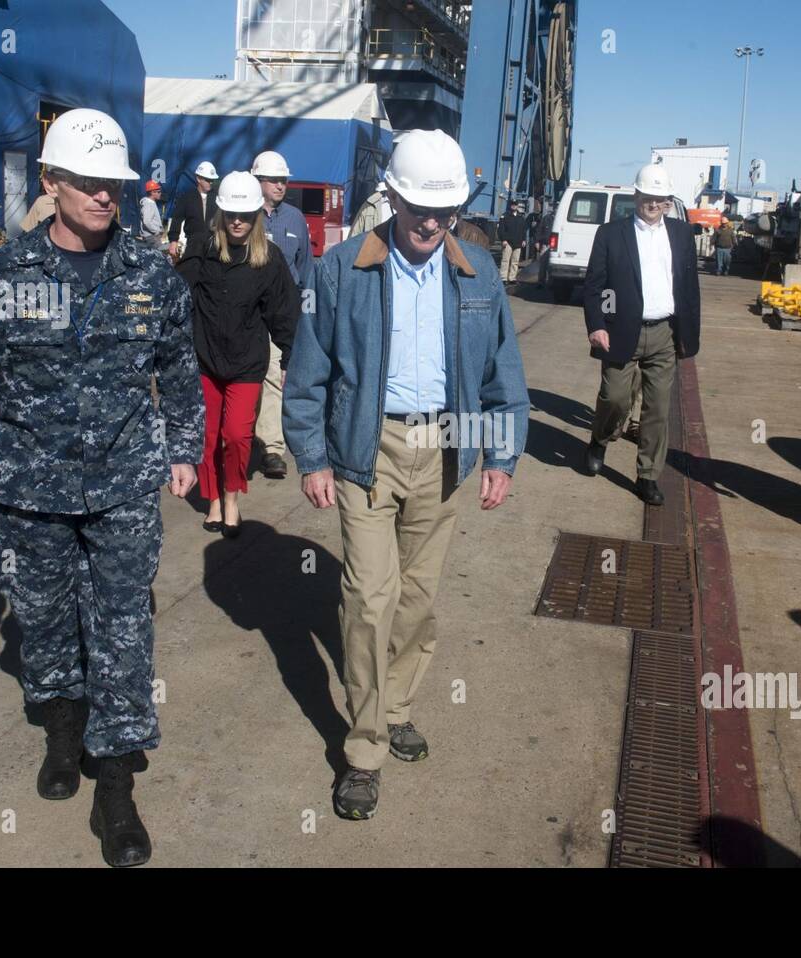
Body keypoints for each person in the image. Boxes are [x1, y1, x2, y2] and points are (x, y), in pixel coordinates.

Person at [0, 108, 204, 868]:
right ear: (51, 182)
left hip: (123, 487)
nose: (105, 196)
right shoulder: (3, 277)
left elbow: (178, 368)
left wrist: (182, 447)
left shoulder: (149, 273)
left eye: (114, 183)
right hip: (30, 491)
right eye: (88, 183)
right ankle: (64, 732)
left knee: (123, 633)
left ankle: (116, 789)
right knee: (41, 625)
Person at [282, 129, 529, 821]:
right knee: (369, 598)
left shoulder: (478, 272)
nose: (430, 222)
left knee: (417, 599)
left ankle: (394, 709)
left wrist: (501, 455)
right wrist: (312, 456)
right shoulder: (339, 272)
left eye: (444, 209)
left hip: (449, 450)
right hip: (367, 449)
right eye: (418, 206)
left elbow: (501, 373)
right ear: (390, 196)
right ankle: (364, 751)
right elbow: (308, 375)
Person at [175, 171, 298, 536]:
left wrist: (291, 359)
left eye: (245, 215)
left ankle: (232, 498)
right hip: (205, 360)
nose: (238, 222)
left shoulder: (269, 259)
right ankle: (214, 502)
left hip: (246, 364)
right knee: (210, 435)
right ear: (221, 214)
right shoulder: (201, 248)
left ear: (257, 215)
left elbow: (285, 313)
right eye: (231, 215)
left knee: (237, 435)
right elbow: (175, 300)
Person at [582, 163, 701, 505]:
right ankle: (600, 439)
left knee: (658, 409)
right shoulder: (611, 234)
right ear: (636, 196)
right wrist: (598, 325)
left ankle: (647, 475)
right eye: (648, 197)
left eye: (660, 199)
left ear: (668, 201)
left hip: (664, 332)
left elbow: (689, 287)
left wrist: (688, 334)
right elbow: (596, 287)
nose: (653, 204)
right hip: (621, 332)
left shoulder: (680, 234)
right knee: (615, 398)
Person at [249, 150, 313, 481]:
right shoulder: (243, 216)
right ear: (256, 181)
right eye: (274, 180)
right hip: (247, 311)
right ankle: (241, 439)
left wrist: (306, 312)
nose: (281, 185)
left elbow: (305, 268)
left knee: (275, 375)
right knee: (247, 376)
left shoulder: (295, 219)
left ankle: (273, 449)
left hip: (282, 313)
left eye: (284, 180)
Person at [167, 161, 219, 260]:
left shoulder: (217, 197)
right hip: (193, 243)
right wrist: (173, 241)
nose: (211, 182)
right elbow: (177, 219)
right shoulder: (187, 198)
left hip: (213, 243)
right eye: (208, 180)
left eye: (212, 180)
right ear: (198, 178)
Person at [498, 199, 528, 284]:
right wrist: (503, 239)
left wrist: (524, 240)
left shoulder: (521, 217)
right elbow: (501, 229)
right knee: (505, 260)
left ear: (517, 206)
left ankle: (512, 278)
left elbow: (523, 230)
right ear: (510, 205)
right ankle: (503, 278)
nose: (514, 206)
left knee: (515, 262)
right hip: (508, 242)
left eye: (515, 204)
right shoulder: (505, 216)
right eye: (512, 204)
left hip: (518, 242)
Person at [139, 180, 165, 248]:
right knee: (157, 257)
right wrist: (157, 231)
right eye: (158, 192)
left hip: (151, 237)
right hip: (151, 238)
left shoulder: (150, 203)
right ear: (152, 192)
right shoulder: (148, 204)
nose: (160, 193)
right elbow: (147, 221)